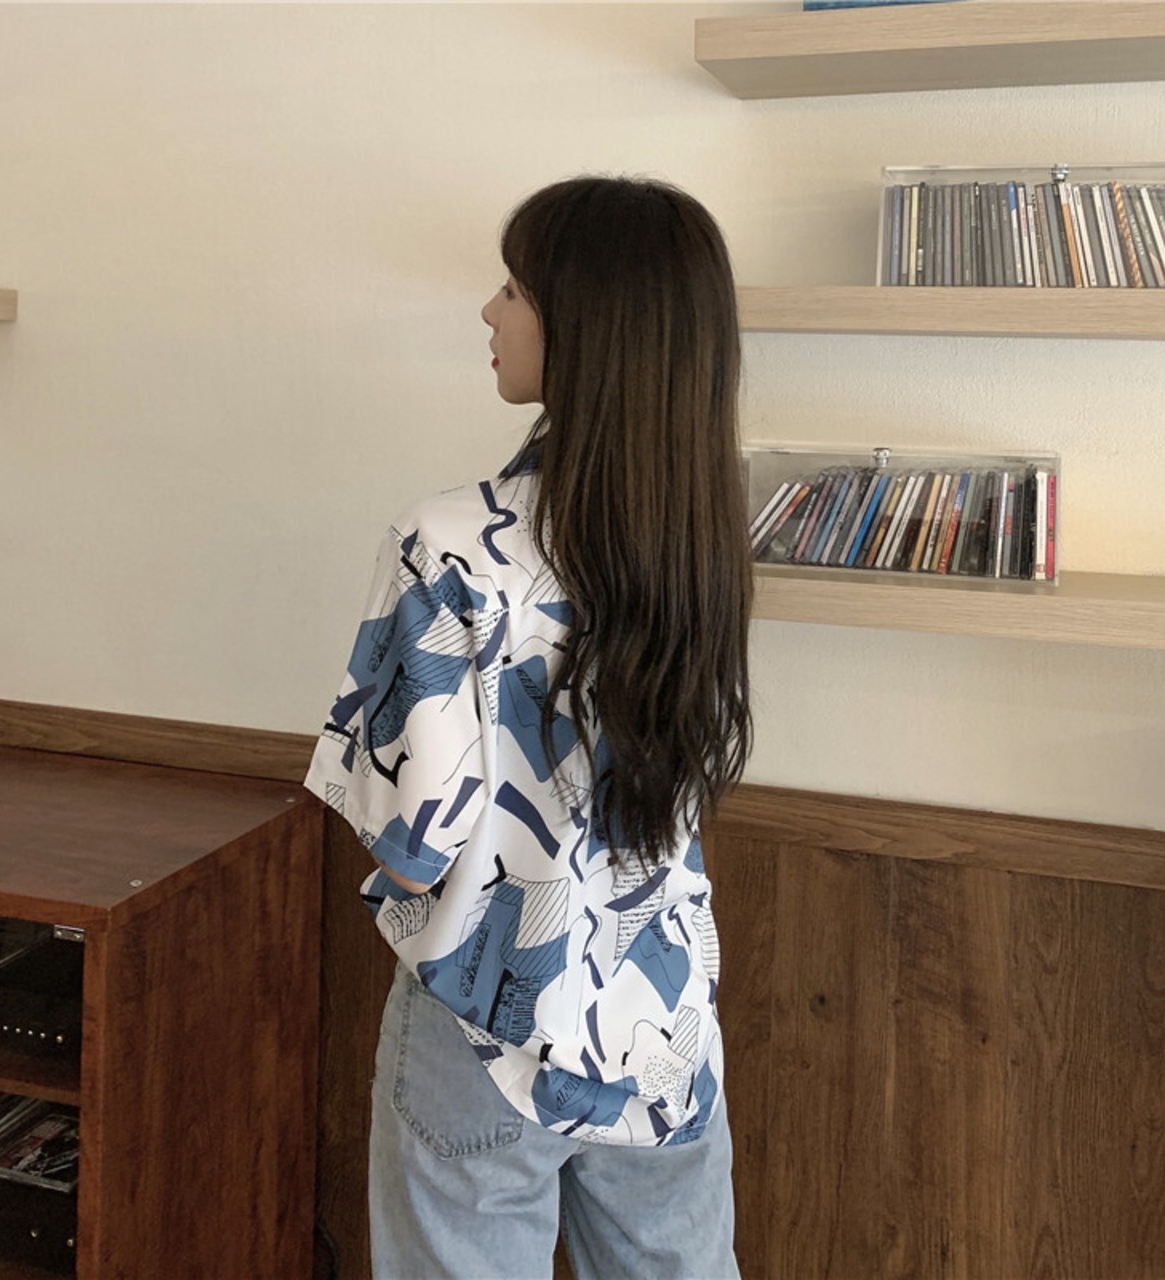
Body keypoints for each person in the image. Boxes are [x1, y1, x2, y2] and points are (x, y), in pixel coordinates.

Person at [304, 174, 753, 1280]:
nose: (488, 311)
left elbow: (411, 846)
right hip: (661, 1021)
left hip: (484, 1024)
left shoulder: (446, 546)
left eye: (513, 287)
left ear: (586, 324)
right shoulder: (698, 538)